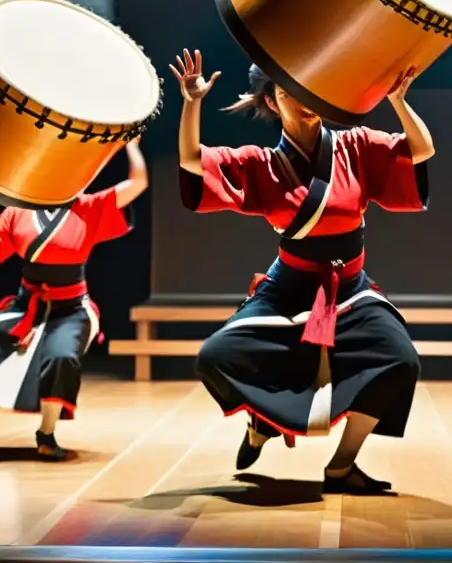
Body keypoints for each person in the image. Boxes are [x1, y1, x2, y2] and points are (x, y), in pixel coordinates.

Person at [170, 49, 431, 495]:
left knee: (400, 361)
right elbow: (194, 163)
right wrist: (191, 103)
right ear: (272, 102)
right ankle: (262, 426)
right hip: (287, 290)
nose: (307, 99)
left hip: (348, 288)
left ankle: (342, 466)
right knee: (213, 356)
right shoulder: (260, 164)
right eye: (292, 93)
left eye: (312, 89)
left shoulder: (356, 145)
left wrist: (399, 102)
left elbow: (420, 150)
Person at [0, 140, 148, 461]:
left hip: (72, 308)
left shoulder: (89, 206)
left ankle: (47, 434)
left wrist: (131, 147)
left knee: (62, 357)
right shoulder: (18, 212)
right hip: (28, 305)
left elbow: (138, 183)